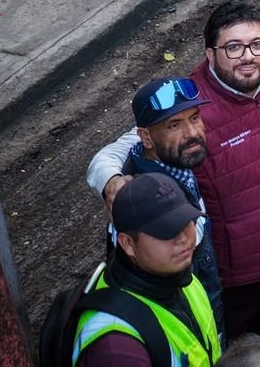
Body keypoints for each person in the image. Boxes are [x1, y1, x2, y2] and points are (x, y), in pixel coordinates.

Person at [93, 1, 260, 342]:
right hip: (236, 279)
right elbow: (114, 152)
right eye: (233, 47)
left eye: (256, 44)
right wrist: (111, 180)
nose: (248, 56)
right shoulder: (193, 108)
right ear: (210, 54)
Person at [90, 76, 223, 328]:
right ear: (147, 138)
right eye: (174, 125)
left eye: (195, 118)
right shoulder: (144, 202)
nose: (192, 133)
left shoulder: (173, 162)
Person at [72, 174, 222, 366]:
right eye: (165, 231)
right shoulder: (116, 350)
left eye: (186, 222)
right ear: (127, 244)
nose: (183, 238)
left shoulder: (180, 276)